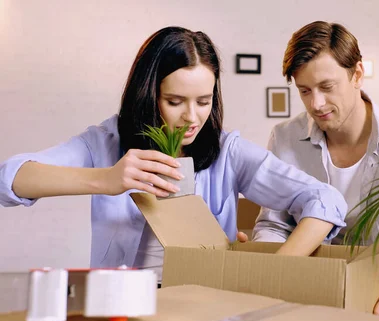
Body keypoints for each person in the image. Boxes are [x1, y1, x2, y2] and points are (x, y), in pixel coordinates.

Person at [0, 26, 348, 282]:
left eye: (203, 101)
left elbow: (324, 199)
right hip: (122, 303)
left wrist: (271, 271)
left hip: (205, 303)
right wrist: (107, 178)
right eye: (175, 101)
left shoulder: (227, 151)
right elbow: (10, 178)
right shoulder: (106, 142)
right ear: (148, 94)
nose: (192, 117)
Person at [252, 21, 379, 321]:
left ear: (357, 74)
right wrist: (270, 264)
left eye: (326, 87)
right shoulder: (285, 137)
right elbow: (274, 223)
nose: (316, 104)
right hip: (312, 275)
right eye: (304, 91)